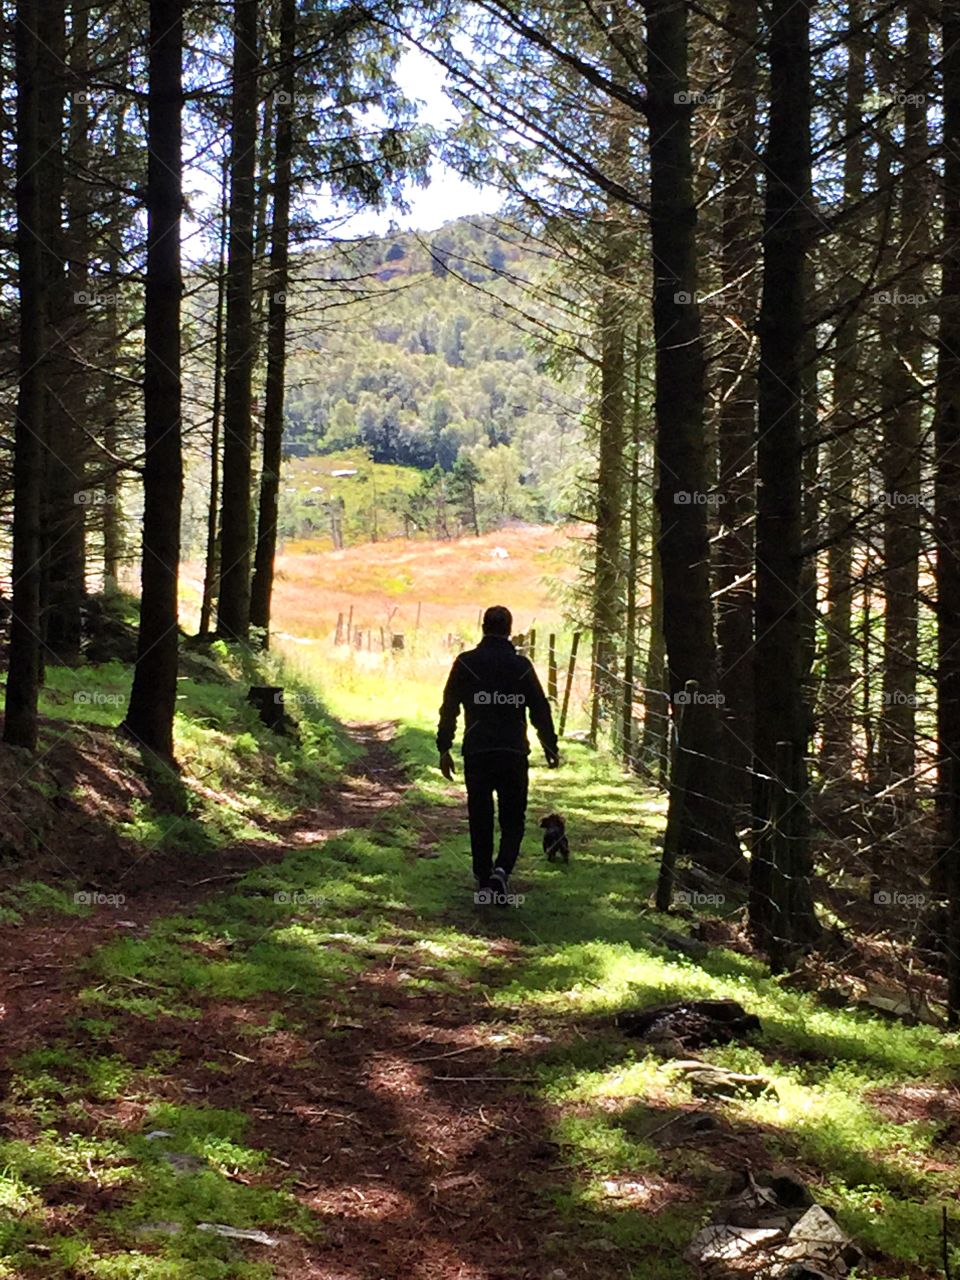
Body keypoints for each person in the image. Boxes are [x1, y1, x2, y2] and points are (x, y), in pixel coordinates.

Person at [436, 604, 559, 903]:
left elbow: (449, 706)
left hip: (478, 750)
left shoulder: (465, 663)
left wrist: (444, 746)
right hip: (512, 751)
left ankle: (483, 876)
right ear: (509, 631)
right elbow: (539, 708)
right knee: (512, 818)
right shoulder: (521, 666)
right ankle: (501, 871)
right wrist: (549, 744)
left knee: (480, 815)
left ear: (483, 628)